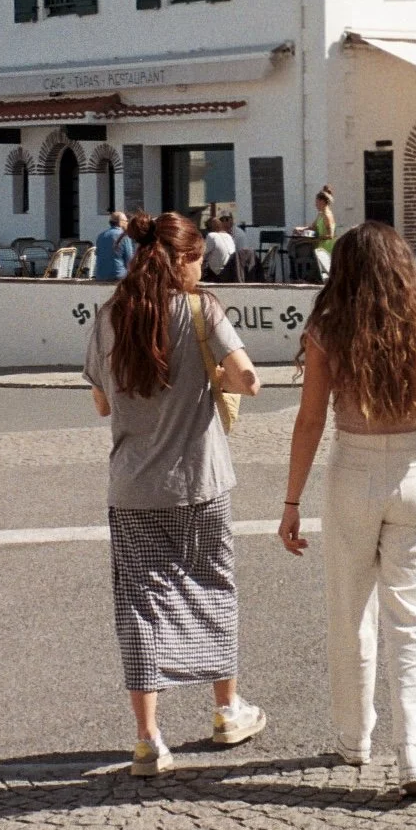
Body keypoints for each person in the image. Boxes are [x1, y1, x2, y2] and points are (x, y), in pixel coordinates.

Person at [278, 223, 416, 799]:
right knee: (412, 623)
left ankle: (354, 737)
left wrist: (290, 500)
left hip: (351, 475)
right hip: (415, 477)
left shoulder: (329, 329)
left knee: (350, 614)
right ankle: (412, 752)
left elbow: (310, 421)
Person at [84, 211, 266, 776]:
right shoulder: (202, 308)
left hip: (133, 485)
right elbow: (248, 380)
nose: (202, 268)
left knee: (141, 607)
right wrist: (210, 374)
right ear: (182, 258)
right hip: (201, 482)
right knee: (214, 586)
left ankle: (147, 740)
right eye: (197, 260)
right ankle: (227, 710)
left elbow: (102, 401)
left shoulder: (111, 313)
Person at [93, 211, 135, 283]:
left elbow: (98, 254)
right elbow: (130, 260)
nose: (127, 223)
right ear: (121, 222)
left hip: (100, 276)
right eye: (126, 221)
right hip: (118, 275)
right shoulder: (124, 236)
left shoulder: (101, 235)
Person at [202, 216, 237, 281]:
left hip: (218, 273)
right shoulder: (228, 236)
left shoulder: (212, 236)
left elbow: (203, 254)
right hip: (231, 270)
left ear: (208, 228)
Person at [312, 187, 337, 277]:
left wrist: (317, 238)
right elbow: (313, 227)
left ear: (322, 202)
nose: (315, 205)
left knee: (328, 271)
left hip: (327, 247)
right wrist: (301, 230)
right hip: (320, 247)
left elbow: (331, 235)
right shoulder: (320, 214)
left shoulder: (327, 215)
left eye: (317, 202)